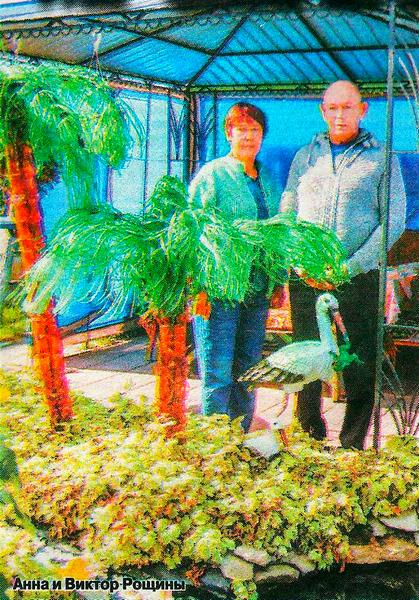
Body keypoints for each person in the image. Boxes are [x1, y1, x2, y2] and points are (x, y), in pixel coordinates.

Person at [280, 80, 406, 450]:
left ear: (362, 110)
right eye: (332, 107)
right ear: (322, 111)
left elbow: (393, 221)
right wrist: (297, 260)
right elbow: (288, 211)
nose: (339, 114)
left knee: (359, 359)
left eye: (347, 107)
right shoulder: (306, 157)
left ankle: (352, 443)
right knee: (306, 356)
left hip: (357, 278)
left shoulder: (382, 159)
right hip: (305, 277)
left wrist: (348, 267)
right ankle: (308, 432)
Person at [189, 102, 278, 432]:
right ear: (229, 133)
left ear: (262, 135)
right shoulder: (212, 175)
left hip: (258, 289)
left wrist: (278, 280)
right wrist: (198, 287)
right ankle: (215, 442)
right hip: (219, 289)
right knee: (218, 372)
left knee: (248, 369)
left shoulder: (267, 177)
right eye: (242, 129)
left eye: (255, 130)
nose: (248, 136)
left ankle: (240, 435)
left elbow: (277, 232)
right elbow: (191, 231)